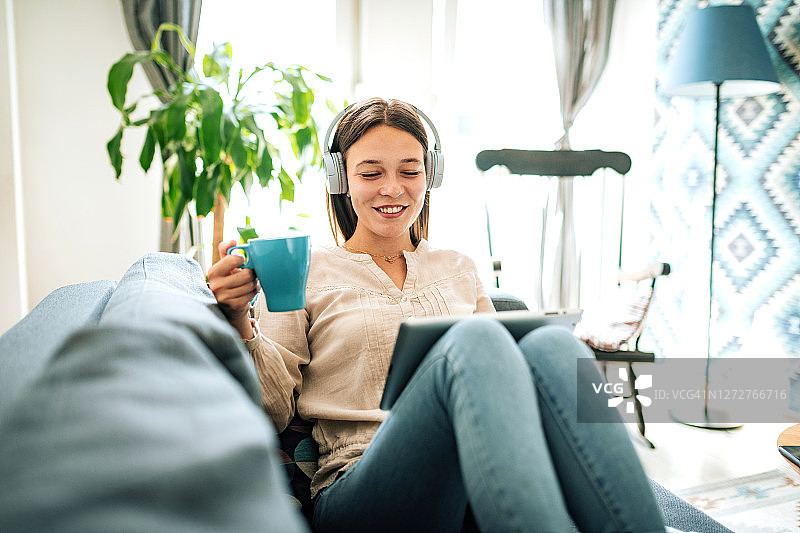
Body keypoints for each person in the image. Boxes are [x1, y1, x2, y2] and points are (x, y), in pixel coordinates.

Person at [207, 97, 671, 532]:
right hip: (359, 484)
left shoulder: (458, 268)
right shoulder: (304, 272)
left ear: (431, 176)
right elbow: (269, 414)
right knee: (474, 340)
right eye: (370, 174)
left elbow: (509, 377)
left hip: (475, 465)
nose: (393, 188)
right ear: (340, 180)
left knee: (554, 343)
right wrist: (237, 318)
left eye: (410, 170)